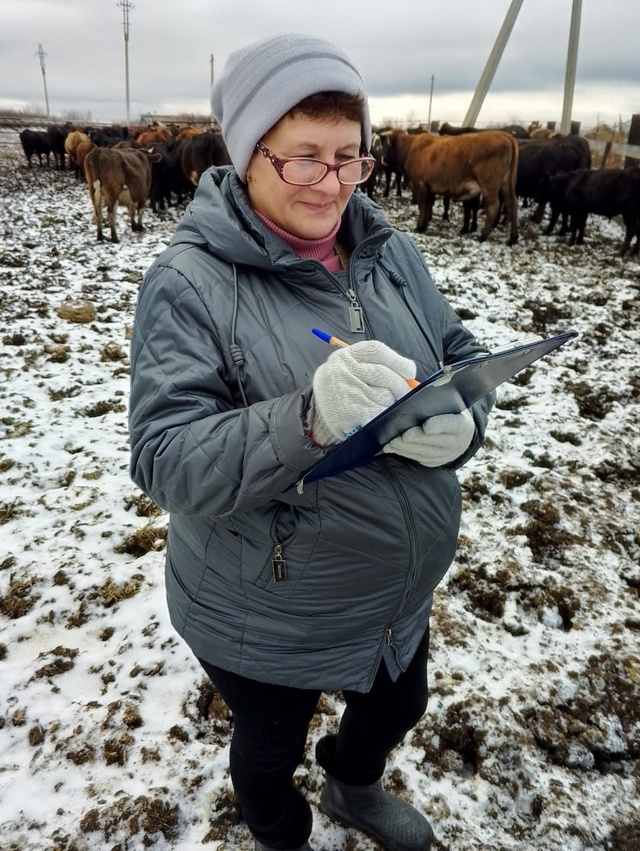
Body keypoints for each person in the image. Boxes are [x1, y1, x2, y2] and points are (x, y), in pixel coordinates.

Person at [128, 32, 494, 851]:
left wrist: (463, 419)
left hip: (396, 588)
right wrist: (309, 419)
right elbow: (164, 456)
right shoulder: (189, 285)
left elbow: (461, 351)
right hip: (263, 602)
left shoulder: (385, 248)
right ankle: (280, 828)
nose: (333, 185)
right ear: (249, 152)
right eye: (304, 159)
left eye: (350, 157)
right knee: (267, 748)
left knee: (400, 703)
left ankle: (352, 783)